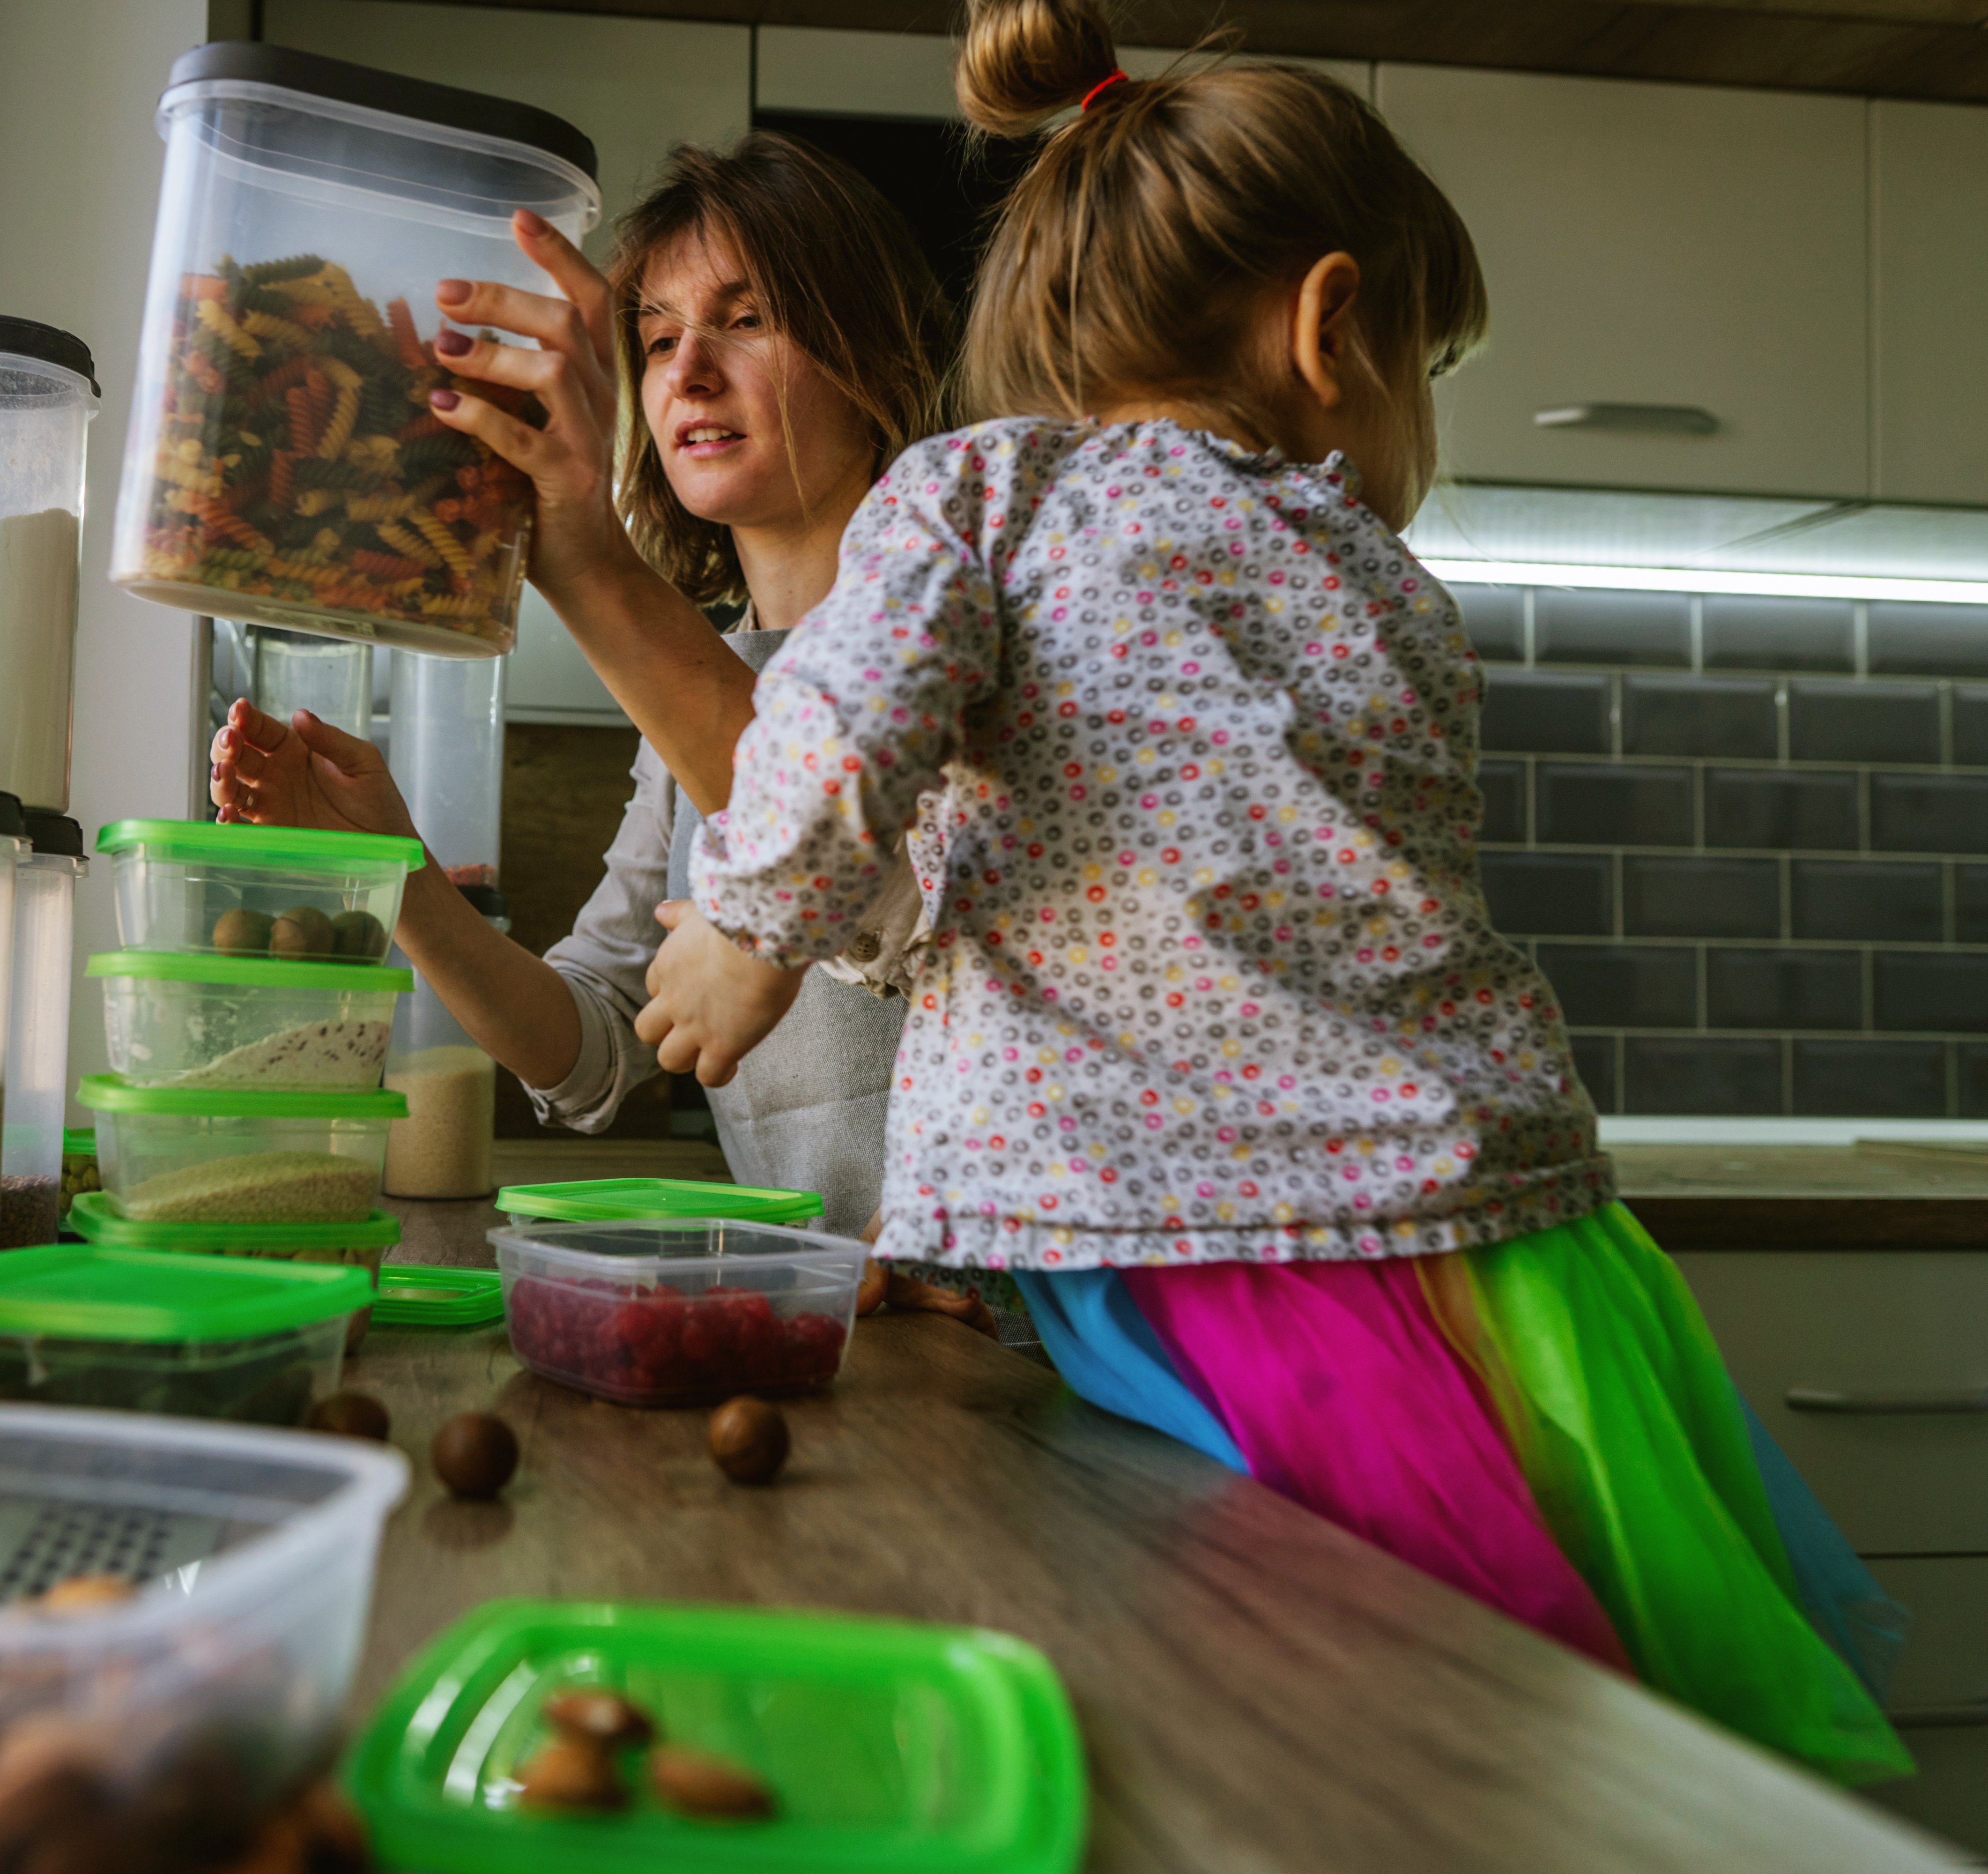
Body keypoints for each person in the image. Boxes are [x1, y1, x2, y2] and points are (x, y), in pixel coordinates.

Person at [634, 0, 1912, 1786]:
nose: (1419, 424)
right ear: (1331, 327)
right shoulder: (1377, 577)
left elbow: (850, 715)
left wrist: (745, 921)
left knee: (1292, 1710)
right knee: (1473, 1736)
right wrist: (801, 915)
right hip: (1479, 1239)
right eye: (1425, 366)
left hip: (1210, 1243)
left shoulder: (989, 492)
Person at [214, 134, 1002, 1331]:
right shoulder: (699, 680)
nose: (689, 373)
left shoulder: (966, 646)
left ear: (876, 356)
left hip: (1007, 1325)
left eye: (748, 319)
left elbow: (848, 869)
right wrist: (399, 879)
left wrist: (578, 548)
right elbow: (588, 1046)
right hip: (825, 1319)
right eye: (659, 339)